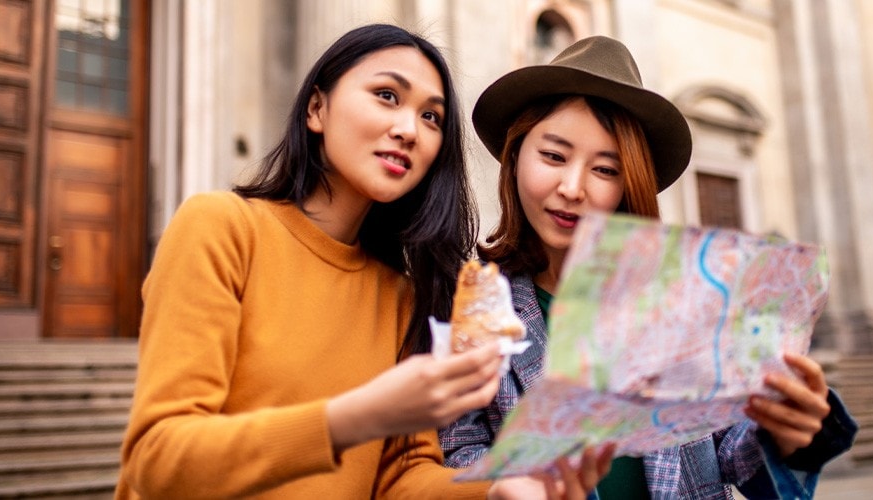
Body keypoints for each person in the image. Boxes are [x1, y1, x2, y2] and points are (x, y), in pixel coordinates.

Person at [117, 23, 610, 499]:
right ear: (316, 108)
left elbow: (401, 479)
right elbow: (159, 458)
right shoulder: (222, 227)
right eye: (387, 96)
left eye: (431, 117)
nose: (408, 130)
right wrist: (356, 418)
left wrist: (497, 486)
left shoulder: (401, 295)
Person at [440, 36, 858, 499]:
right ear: (515, 158)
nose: (573, 187)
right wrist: (501, 486)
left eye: (606, 169)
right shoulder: (472, 305)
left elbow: (729, 449)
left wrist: (787, 432)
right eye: (554, 156)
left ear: (629, 185)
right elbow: (456, 448)